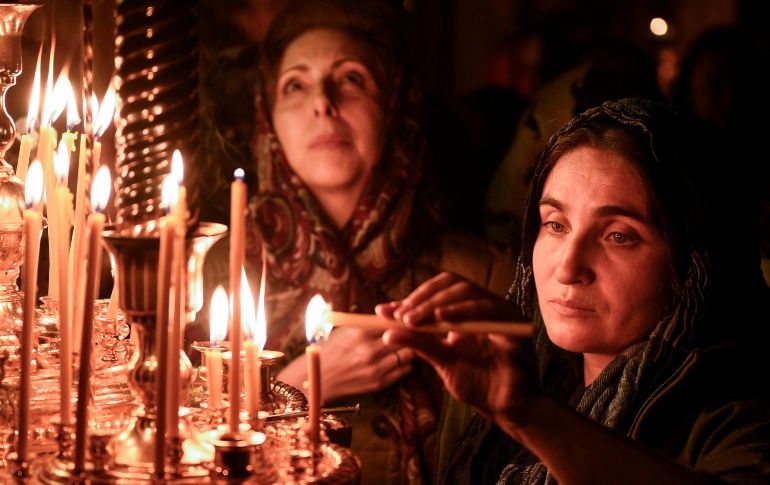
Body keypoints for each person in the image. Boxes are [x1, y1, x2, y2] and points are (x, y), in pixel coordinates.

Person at [197, 1, 515, 482]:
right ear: (269, 119)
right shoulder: (213, 272)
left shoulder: (481, 277)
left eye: (351, 79)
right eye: (295, 85)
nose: (323, 102)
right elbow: (180, 450)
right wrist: (301, 383)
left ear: (396, 106)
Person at [379, 98, 770, 483]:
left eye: (618, 235)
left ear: (695, 262)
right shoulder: (497, 381)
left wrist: (532, 415)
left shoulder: (740, 417)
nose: (567, 269)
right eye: (555, 225)